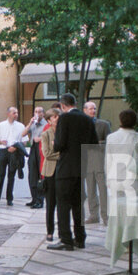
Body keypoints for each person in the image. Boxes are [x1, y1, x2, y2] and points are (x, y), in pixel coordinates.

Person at [50, 93, 98, 251]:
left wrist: (54, 142)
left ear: (63, 106)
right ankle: (80, 238)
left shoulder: (64, 119)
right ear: (76, 103)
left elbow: (60, 144)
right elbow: (94, 144)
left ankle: (65, 239)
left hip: (66, 169)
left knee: (63, 204)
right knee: (78, 205)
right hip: (81, 168)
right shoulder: (87, 119)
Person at [104, 109, 138, 204]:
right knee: (133, 209)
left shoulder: (111, 137)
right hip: (132, 177)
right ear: (134, 121)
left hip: (114, 176)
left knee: (117, 209)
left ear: (121, 120)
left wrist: (108, 178)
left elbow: (108, 160)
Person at [82, 101, 111, 224]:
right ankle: (94, 215)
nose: (92, 111)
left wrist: (99, 144)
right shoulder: (80, 125)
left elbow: (110, 142)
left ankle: (106, 216)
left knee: (103, 189)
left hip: (99, 160)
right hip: (87, 162)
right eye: (90, 109)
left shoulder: (103, 124)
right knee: (90, 190)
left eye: (94, 109)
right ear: (84, 110)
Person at [0, 106, 24, 207]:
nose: (16, 115)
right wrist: (1, 141)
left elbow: (24, 140)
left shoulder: (21, 126)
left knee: (11, 176)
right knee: (0, 175)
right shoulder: (1, 125)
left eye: (17, 113)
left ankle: (9, 199)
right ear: (8, 113)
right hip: (3, 151)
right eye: (14, 113)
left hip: (14, 151)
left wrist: (16, 147)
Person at [39, 109, 61, 242]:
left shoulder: (64, 133)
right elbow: (46, 153)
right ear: (49, 120)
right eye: (54, 117)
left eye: (58, 116)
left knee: (62, 203)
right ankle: (50, 231)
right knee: (50, 203)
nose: (57, 118)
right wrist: (61, 155)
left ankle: (63, 231)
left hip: (63, 170)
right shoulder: (46, 134)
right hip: (50, 172)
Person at [22, 106, 47, 208]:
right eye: (36, 111)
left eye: (39, 112)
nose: (37, 113)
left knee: (39, 175)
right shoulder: (33, 124)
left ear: (43, 114)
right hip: (33, 148)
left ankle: (40, 200)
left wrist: (40, 138)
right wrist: (30, 123)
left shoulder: (46, 124)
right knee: (32, 174)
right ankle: (34, 198)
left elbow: (50, 135)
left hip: (41, 149)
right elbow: (23, 134)